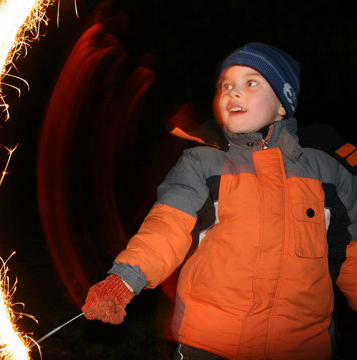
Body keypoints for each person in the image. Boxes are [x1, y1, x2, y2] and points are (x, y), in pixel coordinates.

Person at [81, 42, 357, 360]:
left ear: (283, 103)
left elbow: (350, 254)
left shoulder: (328, 173)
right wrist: (125, 278)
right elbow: (167, 227)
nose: (233, 92)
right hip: (211, 347)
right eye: (225, 85)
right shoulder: (203, 163)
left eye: (250, 82)